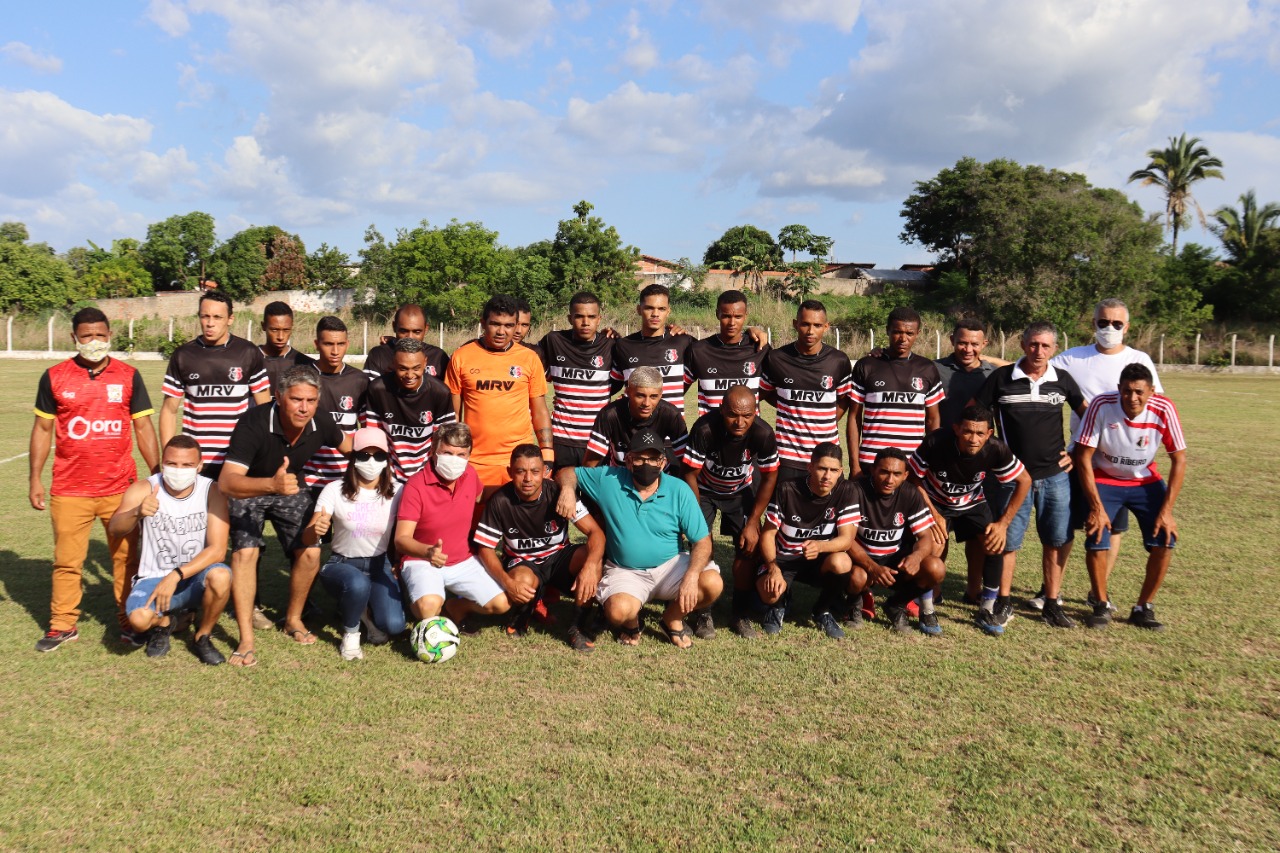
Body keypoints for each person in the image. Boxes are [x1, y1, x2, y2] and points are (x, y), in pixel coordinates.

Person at [30, 307, 161, 651]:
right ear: (74, 338)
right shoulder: (54, 376)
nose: (94, 342)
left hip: (120, 489)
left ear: (110, 335)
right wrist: (34, 479)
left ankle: (128, 621)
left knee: (126, 560)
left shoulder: (128, 375)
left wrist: (157, 474)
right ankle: (62, 624)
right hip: (69, 489)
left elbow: (143, 427)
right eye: (86, 336)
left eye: (100, 335)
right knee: (67, 561)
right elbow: (43, 430)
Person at [218, 366, 351, 667]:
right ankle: (246, 639)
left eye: (311, 400)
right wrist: (270, 485)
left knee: (310, 551)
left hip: (289, 487)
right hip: (249, 487)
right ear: (279, 397)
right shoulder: (252, 422)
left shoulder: (321, 421)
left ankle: (293, 619)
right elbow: (227, 482)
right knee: (245, 553)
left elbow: (351, 447)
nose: (304, 408)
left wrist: (377, 465)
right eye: (296, 400)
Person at [555, 427, 722, 649]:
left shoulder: (679, 489)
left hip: (670, 566)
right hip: (626, 570)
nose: (647, 465)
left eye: (653, 459)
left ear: (663, 462)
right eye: (640, 459)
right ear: (629, 460)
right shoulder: (609, 479)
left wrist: (691, 575)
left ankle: (671, 619)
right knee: (617, 611)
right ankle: (633, 623)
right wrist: (567, 489)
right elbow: (566, 472)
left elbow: (702, 541)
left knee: (712, 582)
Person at [1050, 297, 1164, 612]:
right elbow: (1034, 371)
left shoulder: (1138, 359)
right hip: (1079, 458)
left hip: (1119, 466)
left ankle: (1097, 592)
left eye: (1116, 324)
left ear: (1127, 327)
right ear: (1093, 324)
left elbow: (1155, 404)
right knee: (1065, 527)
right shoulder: (1073, 358)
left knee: (1113, 528)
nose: (1109, 328)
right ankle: (1052, 591)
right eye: (1103, 322)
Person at [975, 322, 1085, 628]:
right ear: (1023, 345)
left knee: (1056, 540)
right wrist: (993, 452)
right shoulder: (1002, 378)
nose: (1039, 351)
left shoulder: (1061, 380)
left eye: (1046, 346)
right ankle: (1004, 601)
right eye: (1033, 344)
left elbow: (1088, 414)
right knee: (1008, 542)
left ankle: (1052, 603)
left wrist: (1075, 450)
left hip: (1054, 476)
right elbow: (976, 414)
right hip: (1012, 477)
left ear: (1054, 349)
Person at [1074, 364, 1186, 631]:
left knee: (1165, 540)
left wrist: (1167, 510)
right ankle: (1101, 603)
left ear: (1152, 391)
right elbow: (1083, 456)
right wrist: (1096, 507)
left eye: (1139, 392)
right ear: (1118, 389)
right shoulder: (1101, 405)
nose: (1132, 398)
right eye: (1126, 391)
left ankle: (1143, 607)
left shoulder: (1164, 408)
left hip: (1145, 483)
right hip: (1104, 479)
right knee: (1097, 536)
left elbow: (1179, 460)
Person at [909, 404, 1031, 636]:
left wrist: (1003, 524)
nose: (973, 439)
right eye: (967, 431)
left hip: (973, 503)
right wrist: (933, 513)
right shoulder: (936, 442)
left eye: (979, 433)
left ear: (989, 433)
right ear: (956, 429)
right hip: (937, 502)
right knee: (933, 545)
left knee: (994, 541)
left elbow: (1024, 480)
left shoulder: (996, 449)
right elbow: (912, 477)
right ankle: (927, 608)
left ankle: (986, 608)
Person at [109, 435, 232, 664]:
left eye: (187, 465)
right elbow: (115, 528)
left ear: (199, 466)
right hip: (153, 577)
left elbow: (218, 550)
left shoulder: (211, 491)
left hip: (194, 576)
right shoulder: (144, 489)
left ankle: (202, 637)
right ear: (162, 463)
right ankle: (164, 623)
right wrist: (137, 512)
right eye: (172, 464)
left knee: (221, 575)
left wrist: (176, 575)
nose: (179, 470)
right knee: (139, 620)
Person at [474, 445, 607, 651]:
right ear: (510, 472)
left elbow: (595, 533)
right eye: (520, 471)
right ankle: (523, 612)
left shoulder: (558, 493)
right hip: (523, 563)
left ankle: (578, 626)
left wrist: (590, 566)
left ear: (545, 472)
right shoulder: (500, 500)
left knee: (593, 557)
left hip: (558, 558)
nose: (528, 478)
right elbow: (485, 548)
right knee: (522, 580)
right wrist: (507, 582)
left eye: (535, 471)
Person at [681, 385, 780, 639]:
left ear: (755, 412)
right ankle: (704, 614)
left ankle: (740, 613)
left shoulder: (763, 433)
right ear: (721, 409)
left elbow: (770, 477)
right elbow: (690, 473)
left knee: (749, 548)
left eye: (747, 415)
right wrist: (696, 516)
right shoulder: (705, 429)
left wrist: (754, 520)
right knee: (704, 547)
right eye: (733, 415)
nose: (740, 422)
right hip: (704, 490)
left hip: (740, 492)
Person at [394, 424, 511, 637]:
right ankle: (413, 596)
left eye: (461, 454)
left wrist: (513, 488)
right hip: (423, 560)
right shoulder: (415, 485)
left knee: (501, 603)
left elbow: (480, 496)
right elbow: (401, 539)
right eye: (447, 453)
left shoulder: (469, 473)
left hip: (462, 560)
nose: (454, 459)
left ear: (468, 456)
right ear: (433, 451)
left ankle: (456, 608)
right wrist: (427, 552)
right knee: (429, 607)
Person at [301, 428, 405, 661]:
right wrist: (315, 530)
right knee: (357, 584)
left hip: (380, 564)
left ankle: (363, 610)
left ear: (387, 460)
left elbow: (406, 530)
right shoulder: (334, 490)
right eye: (363, 455)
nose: (371, 461)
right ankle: (351, 633)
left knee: (394, 625)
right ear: (353, 458)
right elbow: (308, 538)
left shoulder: (397, 491)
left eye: (378, 456)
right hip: (342, 563)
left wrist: (399, 562)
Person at [446, 295, 554, 490]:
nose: (502, 332)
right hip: (474, 460)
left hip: (518, 462)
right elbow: (452, 414)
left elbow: (540, 411)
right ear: (483, 323)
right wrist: (452, 454)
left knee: (516, 519)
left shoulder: (529, 359)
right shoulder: (462, 356)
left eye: (509, 325)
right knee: (475, 520)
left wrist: (547, 455)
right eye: (495, 324)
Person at [160, 290, 270, 480]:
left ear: (230, 319)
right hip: (195, 460)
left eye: (217, 317)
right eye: (205, 316)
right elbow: (169, 411)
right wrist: (170, 457)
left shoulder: (248, 352)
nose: (210, 323)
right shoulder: (183, 355)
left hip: (238, 459)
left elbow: (265, 410)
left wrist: (264, 452)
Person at [757, 443, 860, 639]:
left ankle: (822, 610)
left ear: (841, 471)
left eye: (833, 470)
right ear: (810, 467)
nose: (827, 476)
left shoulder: (847, 491)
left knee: (843, 562)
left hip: (819, 561)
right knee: (768, 593)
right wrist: (773, 566)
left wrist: (821, 546)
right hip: (784, 560)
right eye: (822, 468)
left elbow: (847, 539)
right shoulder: (787, 489)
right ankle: (779, 604)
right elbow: (768, 534)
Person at [847, 448, 947, 636]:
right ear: (873, 469)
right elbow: (847, 539)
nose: (889, 479)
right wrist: (872, 567)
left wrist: (917, 556)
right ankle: (854, 605)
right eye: (884, 472)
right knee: (856, 577)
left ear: (905, 475)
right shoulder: (855, 490)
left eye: (896, 474)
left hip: (895, 562)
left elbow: (925, 537)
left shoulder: (910, 493)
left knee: (936, 568)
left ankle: (896, 605)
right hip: (863, 562)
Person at [759, 300, 853, 483]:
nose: (811, 331)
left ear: (826, 327)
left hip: (826, 456)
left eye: (817, 325)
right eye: (805, 324)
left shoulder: (839, 360)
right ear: (795, 324)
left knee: (828, 510)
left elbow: (844, 399)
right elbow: (762, 393)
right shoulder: (777, 358)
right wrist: (787, 406)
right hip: (788, 456)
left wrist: (828, 420)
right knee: (786, 509)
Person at [848, 307, 944, 478]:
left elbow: (932, 419)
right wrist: (854, 465)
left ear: (918, 333)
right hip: (871, 462)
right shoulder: (867, 365)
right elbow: (854, 417)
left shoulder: (927, 368)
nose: (903, 338)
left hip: (912, 464)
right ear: (887, 330)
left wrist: (931, 459)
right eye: (897, 332)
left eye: (909, 333)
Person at [537, 291, 615, 471]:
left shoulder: (610, 345)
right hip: (561, 439)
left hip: (598, 438)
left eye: (591, 316)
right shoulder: (554, 341)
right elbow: (528, 360)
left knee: (595, 497)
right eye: (579, 316)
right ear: (569, 318)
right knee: (562, 492)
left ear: (599, 319)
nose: (586, 322)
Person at [363, 338, 456, 483]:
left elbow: (444, 441)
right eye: (403, 368)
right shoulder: (378, 389)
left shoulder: (440, 392)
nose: (410, 375)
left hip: (426, 476)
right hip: (388, 476)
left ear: (425, 362)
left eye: (416, 368)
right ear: (393, 364)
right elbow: (373, 436)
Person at [610, 284, 698, 418]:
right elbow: (607, 388)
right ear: (639, 309)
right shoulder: (623, 345)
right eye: (649, 308)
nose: (655, 314)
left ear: (668, 311)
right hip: (633, 430)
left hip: (673, 432)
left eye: (661, 309)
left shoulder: (683, 342)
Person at [302, 316, 370, 491]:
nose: (335, 351)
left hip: (346, 477)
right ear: (316, 344)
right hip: (308, 478)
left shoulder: (359, 380)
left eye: (340, 344)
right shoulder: (303, 377)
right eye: (328, 344)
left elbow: (366, 430)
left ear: (347, 344)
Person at [685, 289, 769, 416]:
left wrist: (751, 399)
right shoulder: (699, 350)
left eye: (738, 317)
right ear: (717, 314)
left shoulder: (759, 348)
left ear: (746, 315)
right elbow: (677, 390)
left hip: (749, 432)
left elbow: (776, 388)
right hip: (711, 431)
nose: (732, 323)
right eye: (726, 316)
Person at [583, 367, 687, 468]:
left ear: (661, 394)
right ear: (627, 392)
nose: (646, 403)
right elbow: (590, 463)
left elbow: (685, 462)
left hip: (658, 478)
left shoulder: (671, 414)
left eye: (653, 396)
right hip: (618, 477)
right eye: (640, 396)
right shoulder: (609, 414)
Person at [934, 319, 1008, 430]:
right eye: (962, 343)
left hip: (981, 445)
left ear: (984, 344)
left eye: (974, 344)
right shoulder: (934, 369)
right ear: (952, 340)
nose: (968, 350)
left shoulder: (994, 374)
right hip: (942, 444)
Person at [363, 303, 450, 381]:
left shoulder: (438, 356)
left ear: (426, 328)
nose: (410, 337)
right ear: (394, 327)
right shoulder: (379, 355)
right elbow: (372, 392)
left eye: (417, 332)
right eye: (403, 331)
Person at [258, 301, 315, 398]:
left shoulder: (304, 364)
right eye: (274, 330)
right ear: (263, 326)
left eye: (286, 330)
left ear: (292, 327)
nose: (280, 336)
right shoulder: (248, 359)